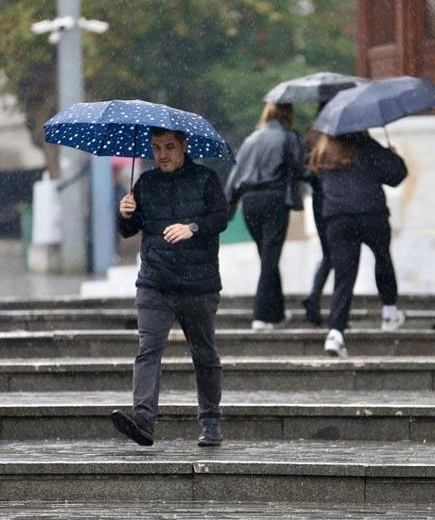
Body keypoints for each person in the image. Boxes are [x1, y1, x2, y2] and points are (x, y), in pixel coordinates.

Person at [111, 127, 229, 448]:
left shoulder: (206, 179)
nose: (161, 154)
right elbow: (128, 231)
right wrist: (124, 214)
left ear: (183, 146)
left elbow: (221, 217)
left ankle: (210, 421)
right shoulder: (145, 183)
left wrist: (192, 227)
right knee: (148, 350)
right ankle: (143, 420)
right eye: (156, 147)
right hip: (155, 283)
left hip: (199, 285)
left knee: (203, 353)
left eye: (169, 147)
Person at [310, 131, 408, 357]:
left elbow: (319, 182)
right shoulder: (367, 145)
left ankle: (335, 333)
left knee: (344, 277)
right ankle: (389, 311)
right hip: (371, 212)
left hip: (338, 217)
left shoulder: (324, 151)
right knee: (382, 257)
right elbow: (397, 175)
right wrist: (393, 156)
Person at [225, 102, 306, 331]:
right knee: (270, 258)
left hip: (250, 203)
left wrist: (228, 207)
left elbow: (235, 175)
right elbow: (300, 168)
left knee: (267, 257)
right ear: (288, 114)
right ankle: (261, 315)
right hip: (275, 200)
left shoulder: (251, 139)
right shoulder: (289, 137)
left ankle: (277, 313)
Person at [302, 122, 332, 326]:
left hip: (318, 201)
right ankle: (336, 308)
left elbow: (304, 172)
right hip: (336, 200)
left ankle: (314, 296)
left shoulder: (312, 138)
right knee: (342, 256)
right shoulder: (341, 138)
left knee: (329, 254)